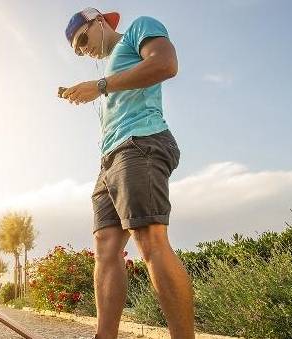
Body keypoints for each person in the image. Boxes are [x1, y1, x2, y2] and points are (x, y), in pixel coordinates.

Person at [60, 8, 195, 339]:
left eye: (82, 39)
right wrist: (92, 89)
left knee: (149, 238)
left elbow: (166, 64)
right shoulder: (108, 70)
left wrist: (100, 86)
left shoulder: (139, 28)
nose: (82, 49)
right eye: (76, 50)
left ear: (100, 21)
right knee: (106, 246)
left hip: (141, 142)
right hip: (110, 158)